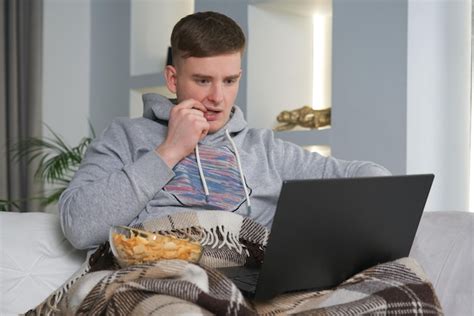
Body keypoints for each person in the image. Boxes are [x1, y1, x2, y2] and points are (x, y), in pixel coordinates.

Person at [59, 11, 390, 250]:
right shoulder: (126, 136)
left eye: (229, 81)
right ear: (173, 79)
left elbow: (355, 175)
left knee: (398, 276)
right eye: (203, 80)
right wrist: (170, 151)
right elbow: (79, 226)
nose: (218, 98)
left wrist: (383, 186)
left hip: (250, 276)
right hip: (163, 273)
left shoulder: (266, 148)